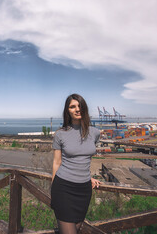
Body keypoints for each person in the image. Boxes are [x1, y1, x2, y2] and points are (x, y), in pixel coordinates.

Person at [51, 93, 101, 234]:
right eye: (72, 107)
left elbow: (84, 157)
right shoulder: (60, 134)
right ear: (67, 111)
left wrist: (88, 176)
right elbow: (56, 162)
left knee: (77, 229)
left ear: (84, 108)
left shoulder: (95, 133)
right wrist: (53, 189)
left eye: (80, 106)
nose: (77, 109)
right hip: (63, 188)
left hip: (84, 190)